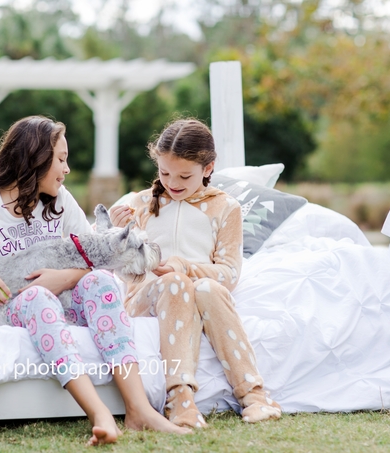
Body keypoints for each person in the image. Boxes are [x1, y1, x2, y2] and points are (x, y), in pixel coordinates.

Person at [0, 115, 189, 445]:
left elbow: (95, 256)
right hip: (13, 305)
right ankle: (100, 414)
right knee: (38, 298)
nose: (67, 168)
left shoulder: (61, 202)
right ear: (35, 160)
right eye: (60, 159)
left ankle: (139, 410)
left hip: (63, 300)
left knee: (101, 283)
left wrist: (64, 278)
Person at [110, 118, 282, 429]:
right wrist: (115, 230)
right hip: (145, 296)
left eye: (184, 176)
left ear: (208, 168)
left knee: (206, 289)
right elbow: (119, 267)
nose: (172, 183)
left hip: (197, 288)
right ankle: (179, 398)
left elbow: (229, 273)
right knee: (175, 283)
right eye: (164, 173)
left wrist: (184, 266)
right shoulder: (141, 204)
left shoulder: (225, 208)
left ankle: (254, 394)